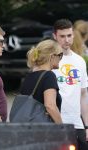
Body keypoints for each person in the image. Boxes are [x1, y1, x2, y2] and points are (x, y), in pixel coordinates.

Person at [53, 18, 88, 150]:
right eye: (62, 36)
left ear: (73, 35)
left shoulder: (80, 61)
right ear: (54, 36)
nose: (66, 40)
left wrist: (87, 126)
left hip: (77, 124)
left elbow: (84, 95)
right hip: (55, 124)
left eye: (69, 35)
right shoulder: (49, 60)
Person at [19, 39, 63, 124]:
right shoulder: (49, 76)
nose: (61, 58)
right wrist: (62, 127)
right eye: (60, 55)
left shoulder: (29, 76)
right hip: (44, 130)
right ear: (52, 56)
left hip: (28, 128)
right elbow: (50, 106)